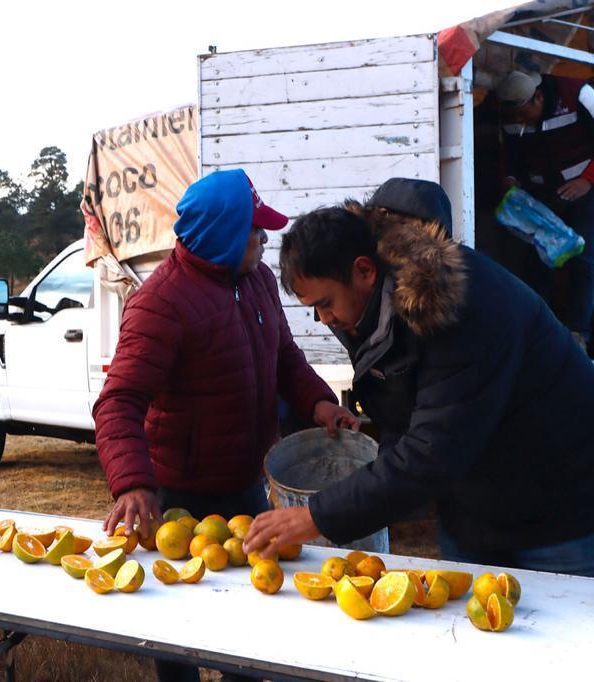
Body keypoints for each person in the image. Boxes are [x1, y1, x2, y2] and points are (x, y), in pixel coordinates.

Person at [244, 179, 594, 577]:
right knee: (468, 611)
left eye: (326, 304)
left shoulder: (462, 309)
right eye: (314, 309)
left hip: (562, 509)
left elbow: (431, 450)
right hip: (476, 505)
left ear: (364, 271)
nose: (324, 320)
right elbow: (407, 418)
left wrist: (318, 516)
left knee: (564, 615)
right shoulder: (367, 306)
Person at [93, 169, 356, 682]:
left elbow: (285, 357)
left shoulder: (257, 281)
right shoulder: (159, 304)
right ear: (225, 237)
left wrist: (319, 403)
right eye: (255, 231)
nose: (264, 240)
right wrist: (133, 485)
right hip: (179, 493)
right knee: (180, 627)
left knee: (251, 621)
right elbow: (118, 401)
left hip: (246, 487)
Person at [496, 69, 594, 352]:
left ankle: (579, 334)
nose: (519, 121)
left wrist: (587, 180)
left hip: (584, 191)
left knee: (584, 259)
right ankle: (540, 333)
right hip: (540, 199)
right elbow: (509, 156)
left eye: (523, 114)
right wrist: (510, 180)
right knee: (538, 261)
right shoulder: (512, 118)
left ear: (538, 97)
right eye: (514, 116)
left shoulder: (578, 95)